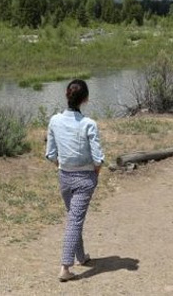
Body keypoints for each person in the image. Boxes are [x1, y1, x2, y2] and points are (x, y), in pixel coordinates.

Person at [45, 79, 105, 282]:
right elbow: (98, 158)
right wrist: (94, 174)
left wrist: (62, 167)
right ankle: (65, 267)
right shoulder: (89, 124)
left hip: (64, 177)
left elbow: (51, 154)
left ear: (66, 95)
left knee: (73, 217)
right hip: (85, 178)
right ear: (86, 99)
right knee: (75, 220)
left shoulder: (54, 121)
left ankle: (81, 256)